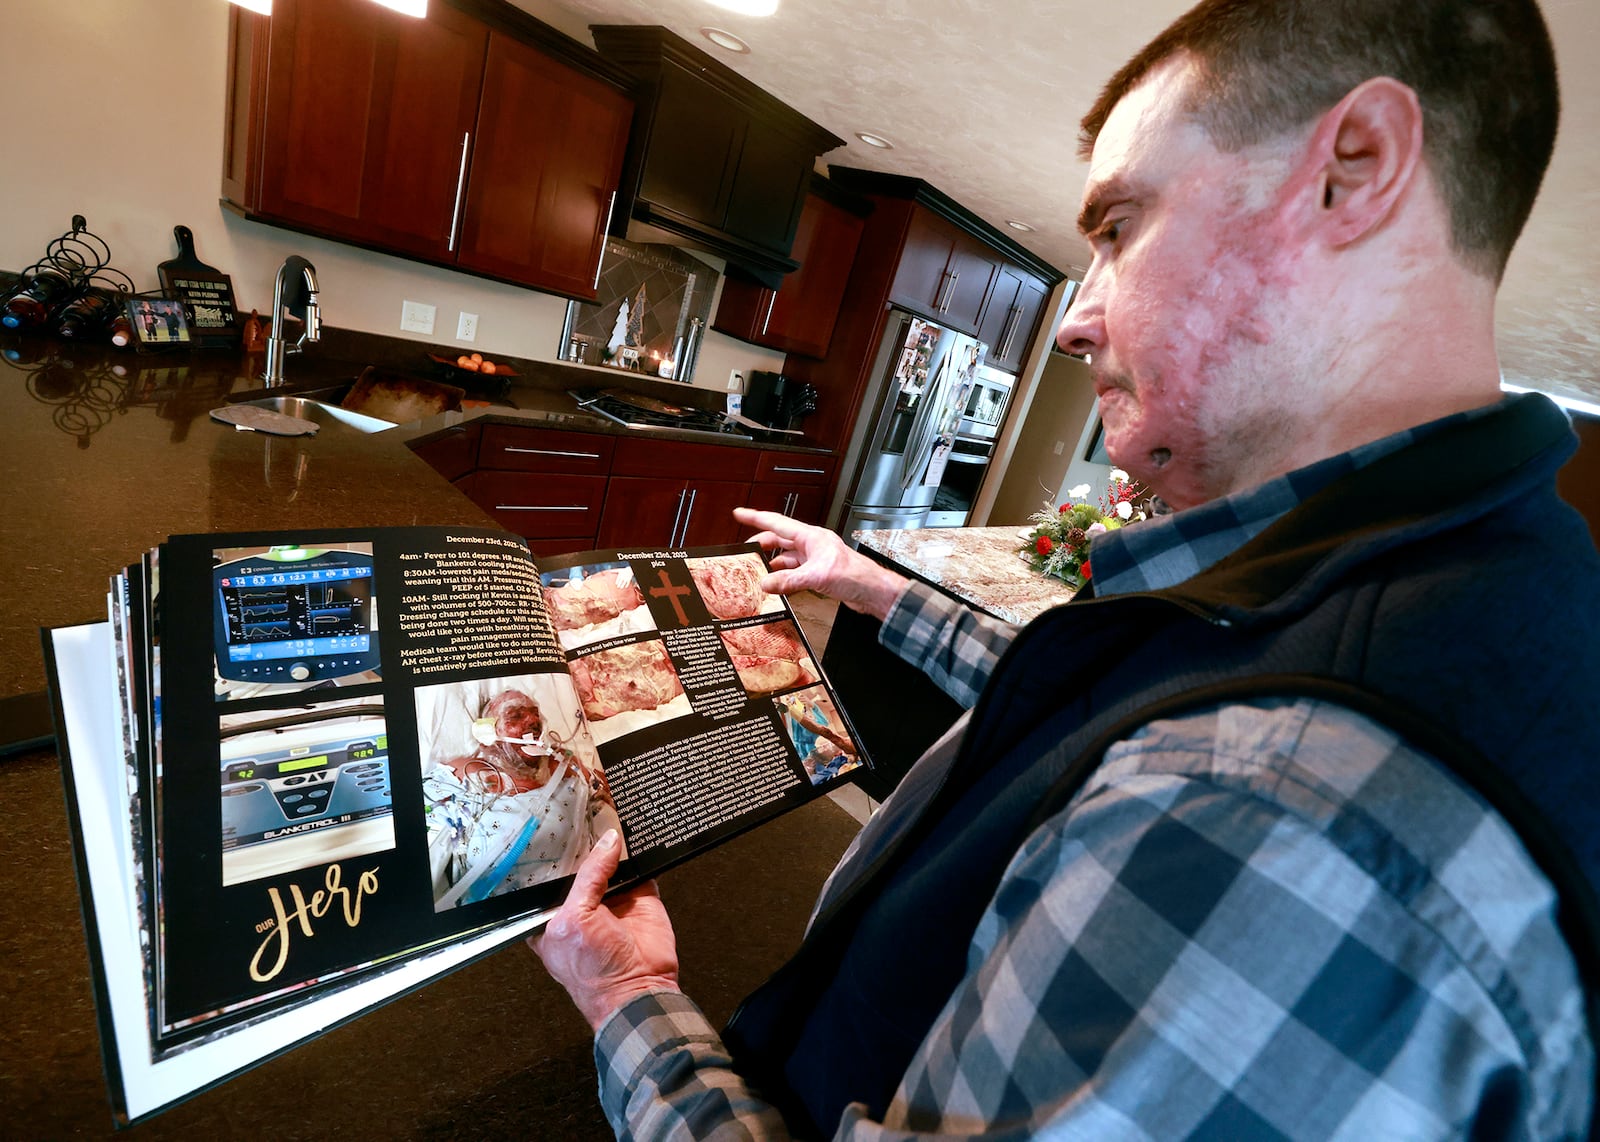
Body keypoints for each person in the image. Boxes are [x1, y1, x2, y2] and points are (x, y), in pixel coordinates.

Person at [531, 0, 1598, 1135]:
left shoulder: (1280, 792)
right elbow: (1120, 696)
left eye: (1119, 226)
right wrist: (866, 580)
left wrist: (629, 998)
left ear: (1353, 168)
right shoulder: (1435, 573)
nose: (1073, 320)